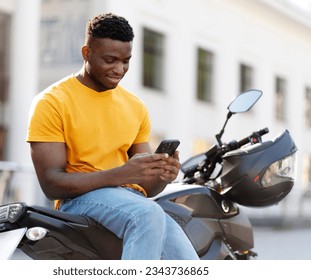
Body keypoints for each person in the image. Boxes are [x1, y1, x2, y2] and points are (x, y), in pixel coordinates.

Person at [26, 12, 199, 260]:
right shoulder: (52, 101)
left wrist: (163, 175)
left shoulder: (135, 106)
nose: (119, 69)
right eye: (110, 60)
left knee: (187, 263)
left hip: (135, 202)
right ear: (86, 53)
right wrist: (121, 174)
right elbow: (51, 184)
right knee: (148, 214)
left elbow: (147, 188)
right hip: (79, 200)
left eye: (126, 61)